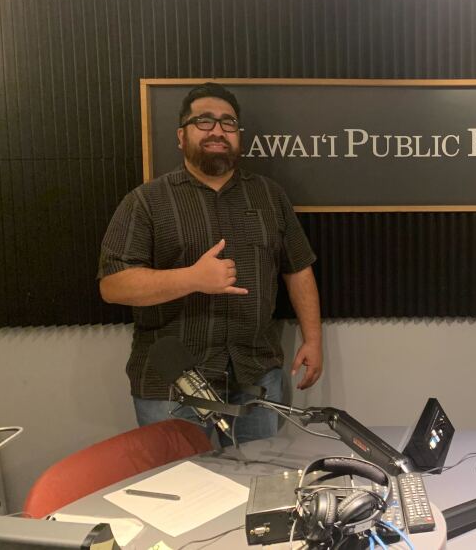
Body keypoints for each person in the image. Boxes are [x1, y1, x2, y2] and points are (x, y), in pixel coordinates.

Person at [98, 82, 323, 444]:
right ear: (181, 136)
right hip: (174, 384)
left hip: (255, 374)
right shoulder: (146, 202)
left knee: (258, 487)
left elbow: (297, 267)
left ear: (238, 137)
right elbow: (112, 285)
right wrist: (192, 279)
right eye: (204, 121)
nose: (217, 130)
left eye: (228, 123)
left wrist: (313, 339)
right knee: (188, 494)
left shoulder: (270, 195)